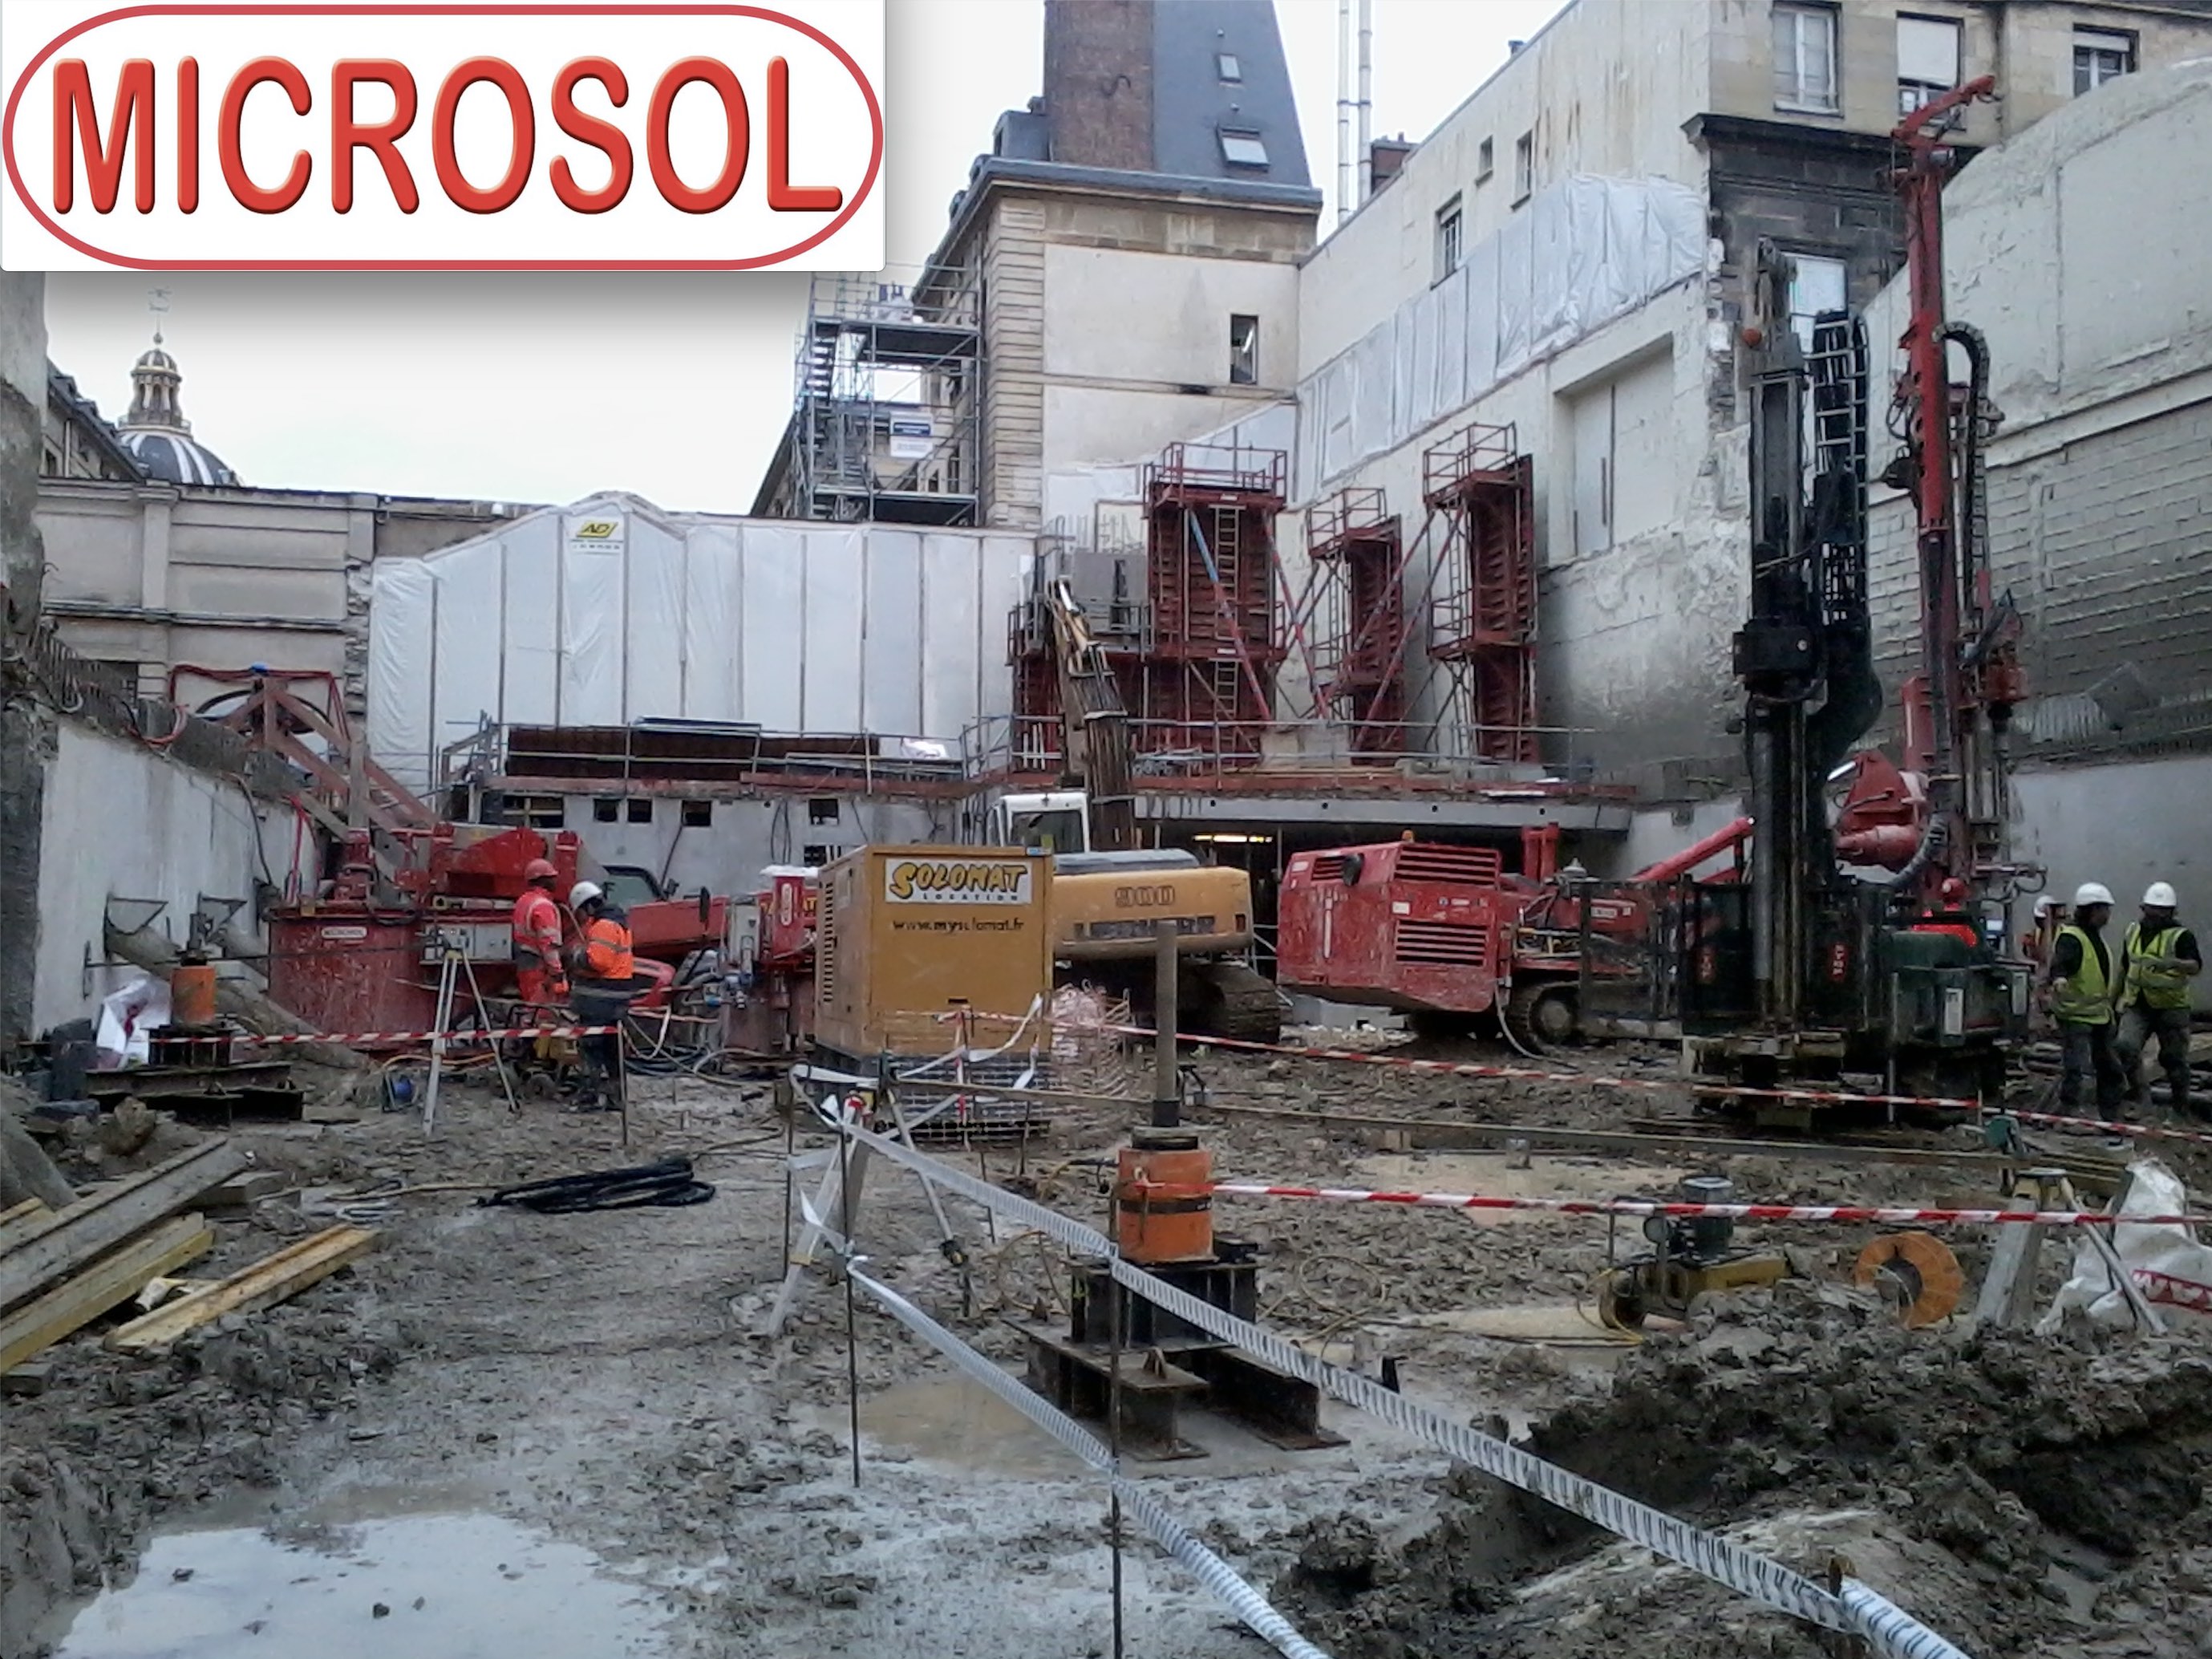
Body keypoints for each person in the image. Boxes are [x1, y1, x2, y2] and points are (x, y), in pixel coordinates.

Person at [2117, 881, 2202, 1119]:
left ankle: (2180, 1107)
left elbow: (2195, 966)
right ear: (2144, 909)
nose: (2155, 915)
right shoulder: (2133, 931)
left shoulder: (2181, 936)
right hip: (2138, 1004)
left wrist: (2172, 963)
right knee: (2125, 1046)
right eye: (2151, 909)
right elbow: (2124, 967)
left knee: (2174, 1059)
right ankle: (2143, 1100)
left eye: (2161, 911)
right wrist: (2114, 1000)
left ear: (2170, 912)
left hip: (2171, 1007)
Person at [2047, 882, 2126, 1124]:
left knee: (2109, 1067)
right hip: (2077, 1014)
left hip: (2099, 1014)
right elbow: (2060, 964)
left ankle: (2110, 1114)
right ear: (2093, 910)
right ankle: (2071, 1111)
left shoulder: (2092, 937)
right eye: (2105, 910)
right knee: (2077, 1067)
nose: (2108, 916)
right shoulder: (2072, 938)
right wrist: (2059, 979)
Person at [567, 881, 636, 1111]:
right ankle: (616, 1098)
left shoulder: (603, 926)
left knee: (591, 1048)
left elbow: (598, 961)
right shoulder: (618, 923)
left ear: (587, 907)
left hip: (599, 1000)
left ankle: (589, 1097)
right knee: (611, 1049)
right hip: (616, 997)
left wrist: (575, 956)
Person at [509, 858, 568, 1015]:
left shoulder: (523, 901)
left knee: (530, 1008)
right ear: (543, 880)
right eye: (552, 877)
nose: (556, 881)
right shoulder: (543, 906)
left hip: (525, 964)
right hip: (538, 967)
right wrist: (556, 971)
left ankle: (524, 1037)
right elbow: (548, 942)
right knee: (542, 1014)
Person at [1912, 877, 1981, 948]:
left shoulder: (1928, 915)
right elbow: (1973, 943)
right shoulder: (1962, 919)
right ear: (1961, 897)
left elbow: (1914, 936)